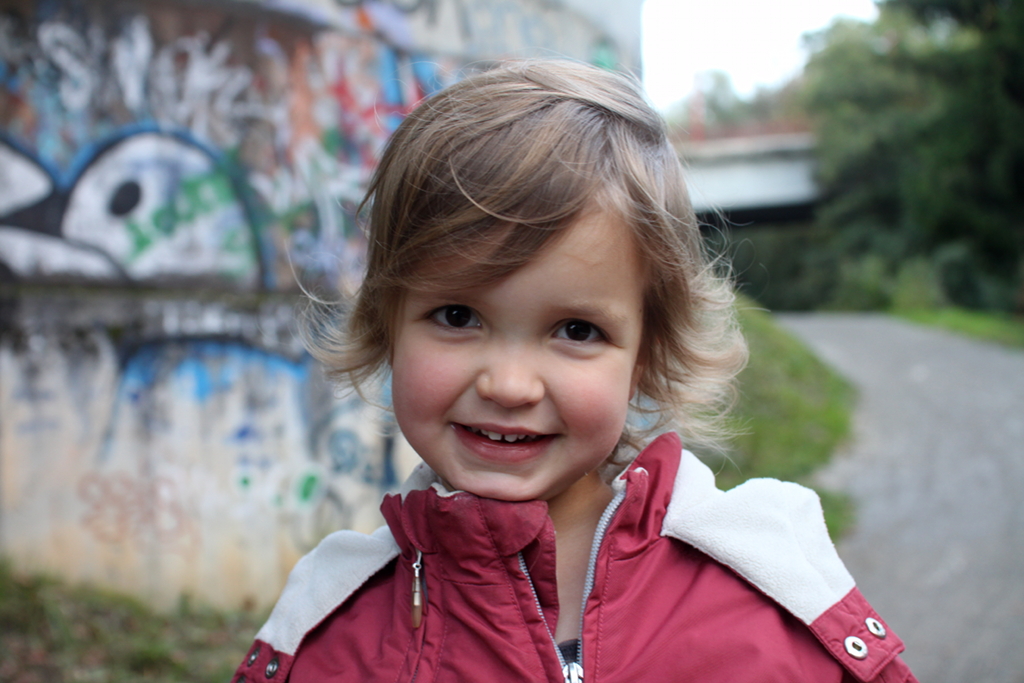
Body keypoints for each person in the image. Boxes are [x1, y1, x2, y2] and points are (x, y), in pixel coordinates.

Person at [233, 60, 917, 683]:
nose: (509, 385)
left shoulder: (769, 597)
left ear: (646, 354)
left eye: (576, 331)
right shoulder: (323, 632)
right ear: (387, 323)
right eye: (457, 316)